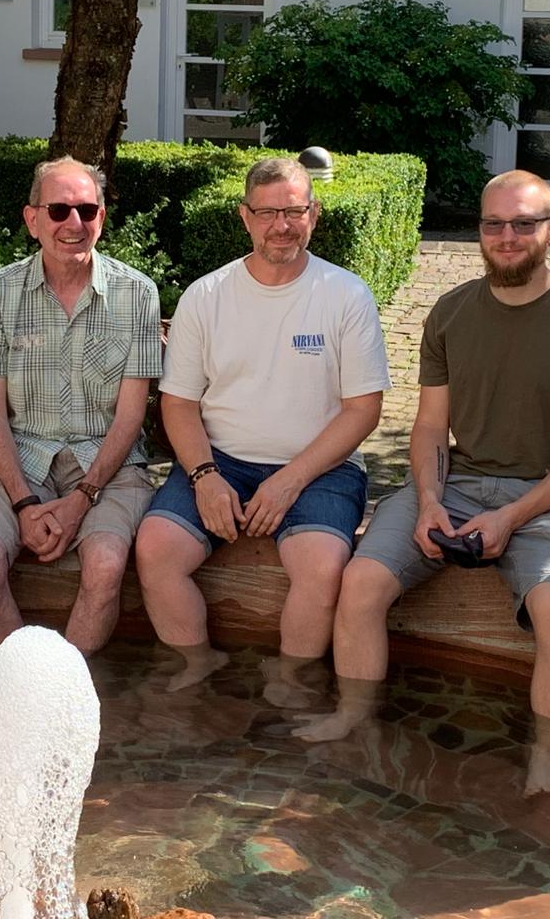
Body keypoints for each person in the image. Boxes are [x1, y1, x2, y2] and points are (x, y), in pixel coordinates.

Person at [295, 170, 550, 799]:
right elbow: (429, 425)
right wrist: (428, 500)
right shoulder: (451, 312)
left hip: (549, 496)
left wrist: (512, 517)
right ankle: (354, 718)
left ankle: (547, 758)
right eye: (493, 224)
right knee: (360, 583)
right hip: (454, 484)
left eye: (524, 224)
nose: (507, 237)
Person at [134, 157, 390, 698]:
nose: (282, 225)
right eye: (268, 213)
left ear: (314, 214)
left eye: (294, 211)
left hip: (321, 467)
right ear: (245, 216)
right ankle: (197, 664)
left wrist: (290, 480)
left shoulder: (346, 295)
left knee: (323, 567)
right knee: (156, 548)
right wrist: (204, 476)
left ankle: (290, 682)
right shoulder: (206, 296)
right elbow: (178, 404)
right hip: (220, 459)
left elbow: (363, 409)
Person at [0, 158, 162, 653]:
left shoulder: (137, 294)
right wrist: (24, 504)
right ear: (33, 220)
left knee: (106, 564)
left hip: (109, 466)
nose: (74, 223)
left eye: (87, 210)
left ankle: (68, 686)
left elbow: (130, 417)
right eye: (59, 210)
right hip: (19, 458)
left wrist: (82, 499)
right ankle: (22, 683)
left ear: (101, 218)